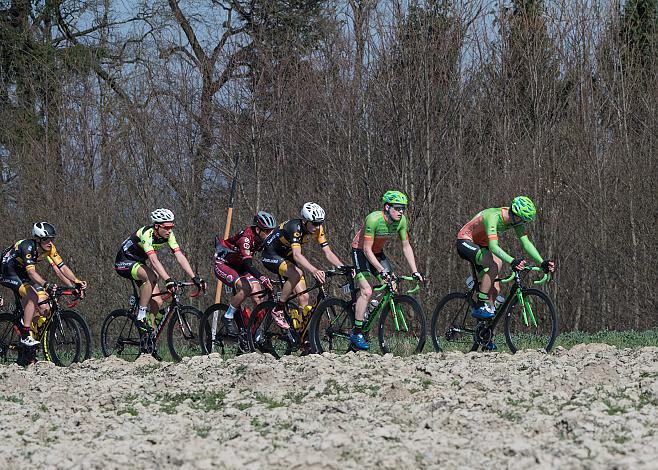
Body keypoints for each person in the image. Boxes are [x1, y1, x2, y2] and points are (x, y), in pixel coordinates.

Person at [456, 196, 555, 322]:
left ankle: (483, 335)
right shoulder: (493, 216)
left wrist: (542, 262)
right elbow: (493, 246)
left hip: (481, 245)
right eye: (523, 220)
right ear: (516, 215)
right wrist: (513, 261)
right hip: (465, 241)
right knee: (495, 264)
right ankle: (480, 304)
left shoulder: (515, 220)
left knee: (495, 290)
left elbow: (526, 243)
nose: (523, 224)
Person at [349, 190, 423, 350]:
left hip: (377, 252)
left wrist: (415, 270)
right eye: (398, 208)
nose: (401, 211)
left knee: (393, 286)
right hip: (361, 252)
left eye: (403, 208)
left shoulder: (402, 221)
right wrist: (381, 269)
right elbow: (367, 250)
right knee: (366, 291)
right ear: (387, 207)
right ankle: (356, 332)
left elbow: (406, 246)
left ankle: (372, 307)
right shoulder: (373, 219)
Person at [115, 208, 206, 330]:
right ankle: (140, 316)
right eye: (166, 227)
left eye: (171, 227)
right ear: (157, 226)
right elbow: (153, 260)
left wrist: (194, 277)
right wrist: (168, 280)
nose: (169, 231)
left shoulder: (169, 235)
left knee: (158, 302)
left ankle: (148, 335)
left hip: (138, 262)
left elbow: (180, 256)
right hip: (124, 261)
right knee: (152, 276)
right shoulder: (146, 234)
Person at [0, 222, 87, 347]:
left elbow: (62, 267)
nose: (50, 242)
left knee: (44, 307)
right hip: (7, 271)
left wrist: (76, 281)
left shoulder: (50, 248)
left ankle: (31, 341)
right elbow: (31, 273)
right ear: (37, 239)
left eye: (52, 238)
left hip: (22, 272)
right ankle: (25, 336)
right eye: (46, 239)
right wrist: (46, 284)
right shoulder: (27, 247)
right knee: (33, 297)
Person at [261, 202, 345, 329]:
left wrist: (342, 267)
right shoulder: (294, 227)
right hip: (271, 254)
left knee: (304, 297)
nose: (318, 227)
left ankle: (300, 334)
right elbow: (297, 256)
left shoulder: (318, 228)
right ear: (304, 220)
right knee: (296, 274)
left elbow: (327, 252)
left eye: (320, 223)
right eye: (315, 223)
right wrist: (314, 270)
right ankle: (278, 309)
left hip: (286, 255)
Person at [213, 211, 277, 335]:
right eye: (267, 231)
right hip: (224, 263)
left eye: (271, 231)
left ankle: (252, 333)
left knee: (258, 298)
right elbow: (249, 264)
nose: (270, 234)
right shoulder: (246, 239)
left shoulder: (264, 238)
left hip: (240, 265)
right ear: (258, 230)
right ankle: (228, 315)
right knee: (246, 288)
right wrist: (262, 277)